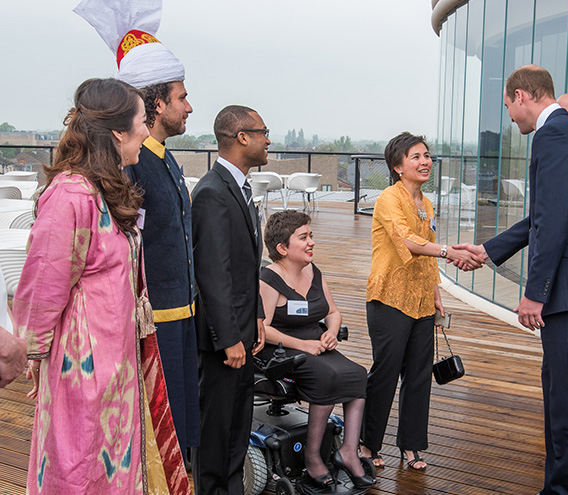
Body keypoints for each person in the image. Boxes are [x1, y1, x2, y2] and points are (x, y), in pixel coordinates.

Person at [13, 77, 188, 494]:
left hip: (119, 365)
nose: (147, 131)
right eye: (142, 122)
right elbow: (41, 288)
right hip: (82, 371)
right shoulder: (71, 196)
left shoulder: (103, 189)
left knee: (114, 468)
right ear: (116, 133)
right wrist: (31, 355)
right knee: (79, 466)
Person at [454, 65, 568, 495]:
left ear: (522, 96)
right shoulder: (566, 131)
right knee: (563, 398)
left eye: (508, 104)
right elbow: (545, 215)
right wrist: (490, 249)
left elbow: (554, 221)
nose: (509, 116)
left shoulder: (554, 134)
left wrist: (534, 294)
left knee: (567, 405)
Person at [77, 0, 201, 454]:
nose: (190, 106)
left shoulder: (163, 158)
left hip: (181, 312)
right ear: (155, 102)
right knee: (158, 435)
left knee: (185, 431)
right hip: (152, 322)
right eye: (182, 96)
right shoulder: (128, 165)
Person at [359, 131, 481, 471]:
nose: (425, 161)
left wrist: (436, 293)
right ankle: (369, 443)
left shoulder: (425, 203)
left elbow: (425, 257)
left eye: (427, 155)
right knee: (385, 373)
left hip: (422, 302)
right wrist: (447, 251)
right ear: (398, 166)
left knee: (418, 375)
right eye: (416, 156)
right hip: (389, 299)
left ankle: (411, 445)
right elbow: (407, 240)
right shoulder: (388, 199)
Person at [259, 210, 374, 489]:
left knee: (357, 374)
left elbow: (333, 312)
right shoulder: (269, 279)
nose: (311, 242)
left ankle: (348, 450)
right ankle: (312, 457)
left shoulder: (312, 271)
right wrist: (303, 345)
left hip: (316, 341)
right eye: (303, 237)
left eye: (310, 235)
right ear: (282, 248)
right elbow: (263, 329)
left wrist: (331, 333)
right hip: (282, 348)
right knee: (326, 376)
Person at [191, 105, 268, 494]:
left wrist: (255, 318)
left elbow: (244, 268)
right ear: (242, 137)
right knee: (217, 434)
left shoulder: (239, 188)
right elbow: (212, 273)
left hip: (243, 330)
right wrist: (228, 337)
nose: (268, 139)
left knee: (238, 430)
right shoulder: (211, 192)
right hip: (223, 342)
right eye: (263, 131)